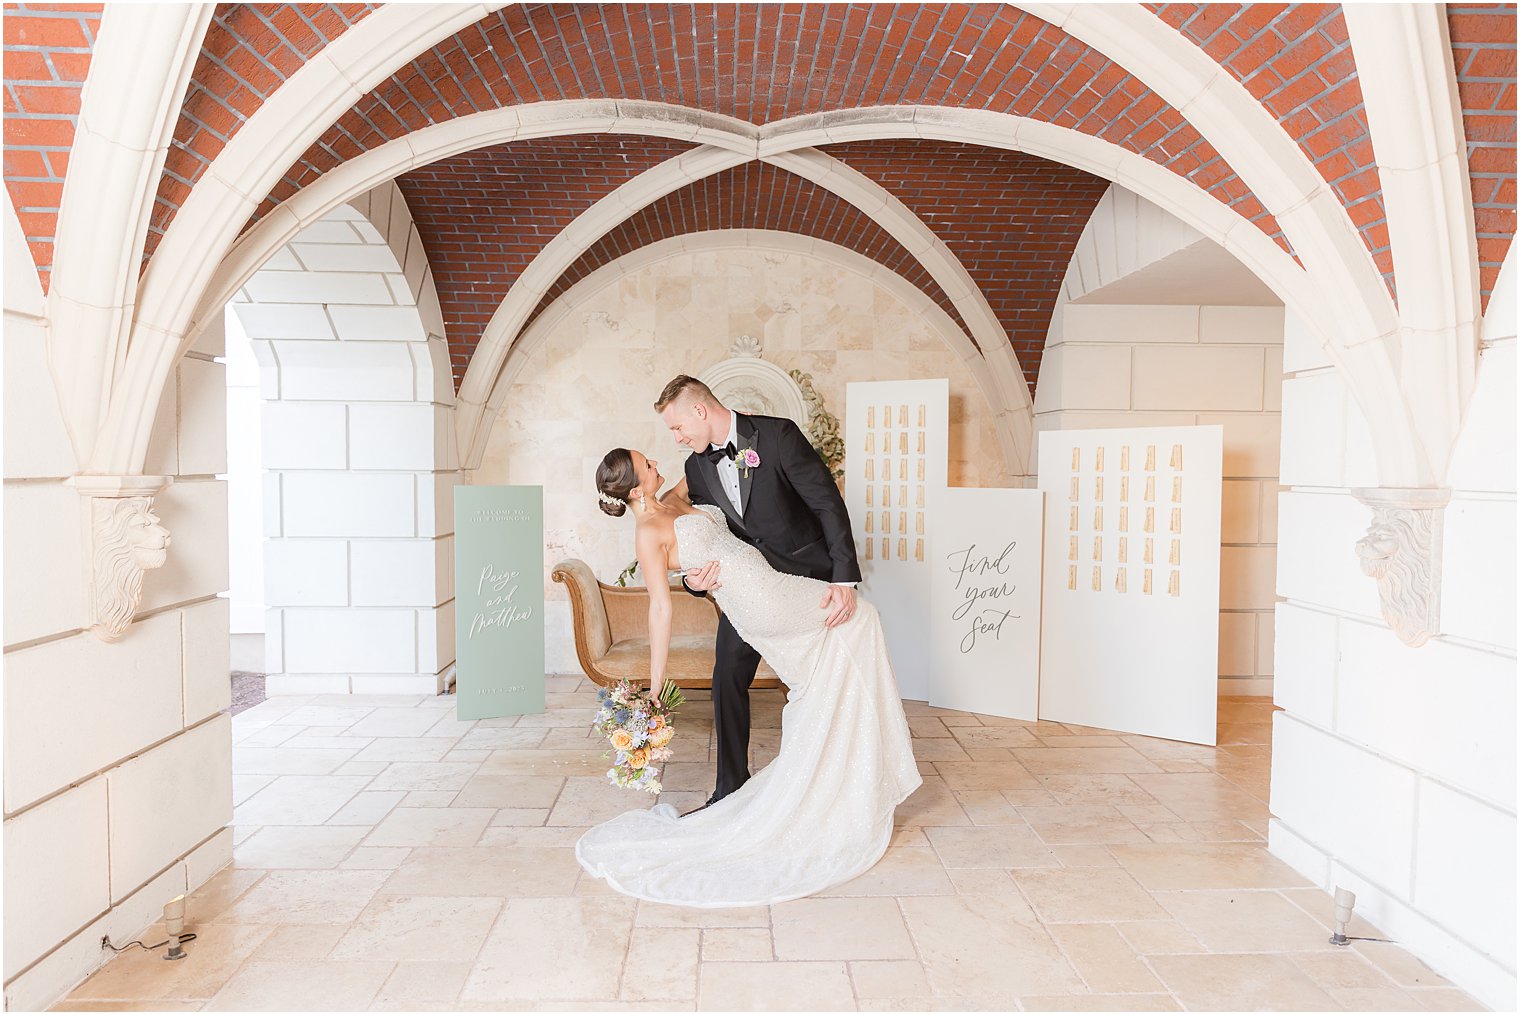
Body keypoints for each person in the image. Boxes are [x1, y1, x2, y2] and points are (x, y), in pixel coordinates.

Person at [574, 445, 920, 907]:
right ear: (636, 488)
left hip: (771, 582)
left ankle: (836, 776)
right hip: (757, 601)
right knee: (859, 618)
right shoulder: (648, 532)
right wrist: (654, 687)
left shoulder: (675, 495)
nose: (658, 463)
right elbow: (659, 607)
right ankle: (839, 775)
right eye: (647, 466)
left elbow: (714, 476)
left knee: (831, 661)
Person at [660, 375, 863, 807]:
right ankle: (729, 788)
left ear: (699, 410)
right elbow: (706, 534)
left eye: (678, 428)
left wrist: (843, 578)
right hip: (750, 589)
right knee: (726, 676)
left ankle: (827, 786)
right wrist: (693, 581)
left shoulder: (777, 435)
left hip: (807, 578)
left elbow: (827, 503)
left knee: (823, 682)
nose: (677, 439)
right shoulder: (696, 467)